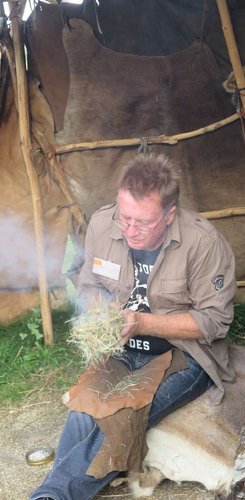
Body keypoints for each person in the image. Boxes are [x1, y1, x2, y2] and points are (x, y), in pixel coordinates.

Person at [30, 153, 237, 500]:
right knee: (84, 406)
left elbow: (214, 322)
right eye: (124, 218)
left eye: (143, 223)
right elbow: (89, 285)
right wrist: (101, 311)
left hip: (181, 355)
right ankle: (59, 487)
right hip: (118, 346)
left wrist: (141, 322)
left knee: (123, 414)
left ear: (170, 214)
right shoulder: (102, 224)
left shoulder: (203, 242)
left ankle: (51, 495)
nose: (129, 230)